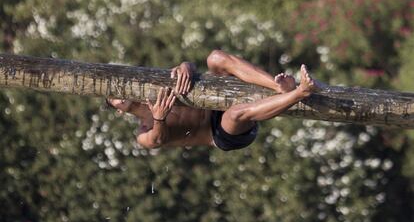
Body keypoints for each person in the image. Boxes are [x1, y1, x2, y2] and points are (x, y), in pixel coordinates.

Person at [107, 50, 319, 151]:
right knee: (235, 113)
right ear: (117, 110)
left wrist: (185, 67)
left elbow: (187, 68)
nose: (118, 95)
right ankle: (300, 93)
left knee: (215, 58)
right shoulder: (144, 131)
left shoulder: (152, 90)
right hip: (220, 133)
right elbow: (157, 140)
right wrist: (159, 119)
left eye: (118, 89)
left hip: (215, 100)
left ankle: (279, 87)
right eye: (112, 98)